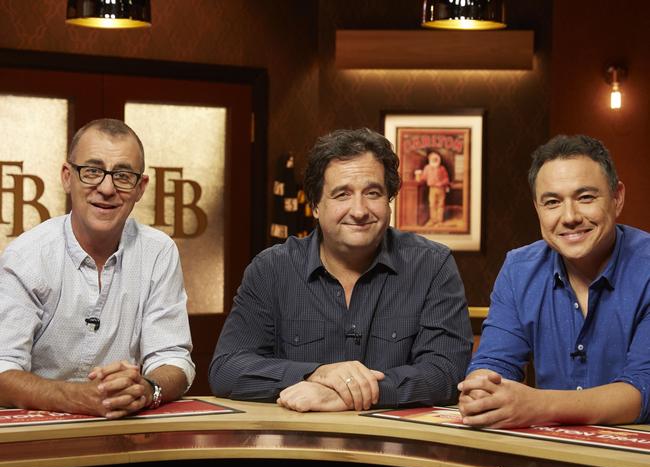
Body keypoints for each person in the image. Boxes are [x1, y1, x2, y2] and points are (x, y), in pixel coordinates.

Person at [209, 128, 472, 412]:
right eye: (342, 195)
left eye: (373, 193)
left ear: (389, 201)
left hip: (397, 451)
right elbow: (227, 369)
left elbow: (446, 372)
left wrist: (346, 395)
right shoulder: (271, 269)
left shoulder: (432, 265)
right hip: (296, 449)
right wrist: (316, 373)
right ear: (316, 206)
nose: (359, 210)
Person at [0, 119, 195, 419]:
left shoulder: (159, 252)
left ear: (140, 187)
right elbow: (3, 369)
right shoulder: (27, 256)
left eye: (123, 175)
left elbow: (173, 358)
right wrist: (78, 397)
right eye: (92, 171)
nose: (106, 188)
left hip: (127, 435)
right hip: (38, 438)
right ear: (67, 177)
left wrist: (147, 388)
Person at [458, 134, 650, 428]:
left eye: (585, 197)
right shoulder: (518, 269)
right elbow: (495, 362)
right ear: (537, 209)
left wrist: (539, 405)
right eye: (552, 202)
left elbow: (642, 390)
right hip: (549, 459)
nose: (569, 216)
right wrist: (481, 390)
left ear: (617, 198)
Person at [417, 149, 450, 227]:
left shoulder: (442, 168)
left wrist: (441, 183)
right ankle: (433, 220)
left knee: (440, 205)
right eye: (432, 159)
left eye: (436, 159)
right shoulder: (427, 168)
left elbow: (446, 179)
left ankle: (439, 221)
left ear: (438, 159)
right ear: (430, 159)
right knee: (432, 205)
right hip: (432, 189)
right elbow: (423, 178)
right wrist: (418, 176)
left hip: (441, 189)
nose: (434, 160)